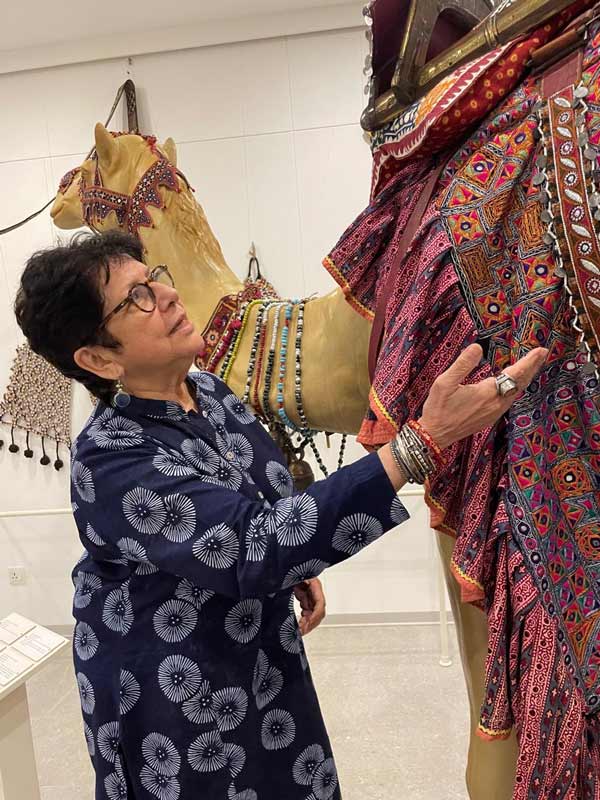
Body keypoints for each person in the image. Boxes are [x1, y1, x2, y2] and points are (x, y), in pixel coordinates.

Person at [14, 231, 547, 800]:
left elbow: (261, 503)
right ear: (99, 358)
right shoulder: (112, 458)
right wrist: (419, 445)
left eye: (155, 277)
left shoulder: (209, 393)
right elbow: (251, 547)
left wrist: (293, 568)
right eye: (136, 298)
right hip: (174, 695)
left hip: (260, 663)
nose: (166, 295)